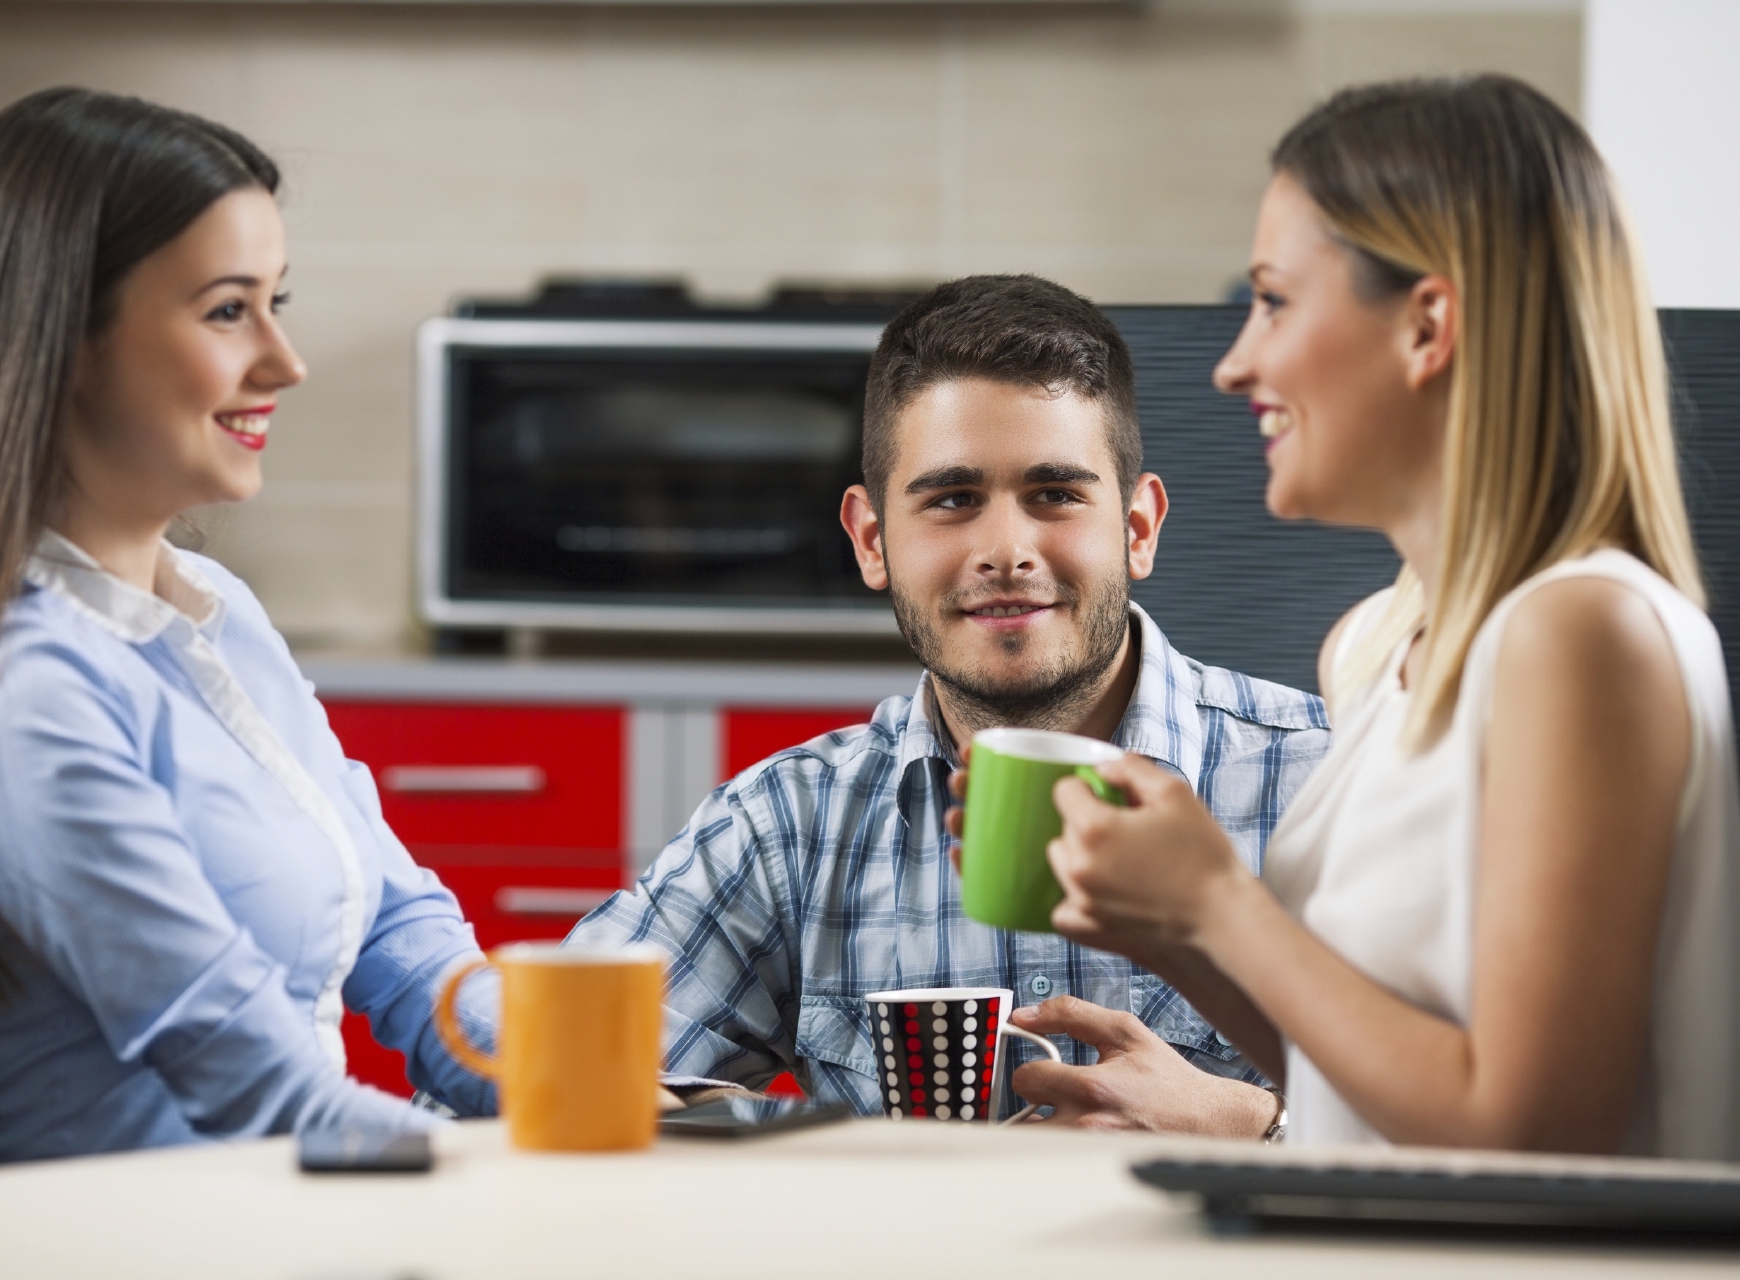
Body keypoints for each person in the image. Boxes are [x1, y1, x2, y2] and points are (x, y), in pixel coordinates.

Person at [1025, 76, 1740, 1158]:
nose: (1236, 362)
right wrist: (1168, 922)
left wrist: (1225, 901)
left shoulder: (1582, 632)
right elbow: (1368, 1083)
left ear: (1427, 325)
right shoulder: (1376, 648)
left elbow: (1534, 1126)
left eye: (1274, 300)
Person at [0, 88, 500, 1165]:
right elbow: (243, 1070)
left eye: (278, 301)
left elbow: (402, 931)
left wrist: (595, 1083)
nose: (285, 360)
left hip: (285, 1207)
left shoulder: (222, 611)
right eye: (228, 311)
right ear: (63, 340)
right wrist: (519, 1170)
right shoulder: (26, 687)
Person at [569, 275, 1328, 1135]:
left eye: (1056, 495)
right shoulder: (790, 825)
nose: (1005, 551)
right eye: (953, 500)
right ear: (870, 540)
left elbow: (1496, 1141)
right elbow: (540, 1074)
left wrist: (1265, 1128)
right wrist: (807, 1146)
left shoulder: (1330, 784)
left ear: (1138, 529)